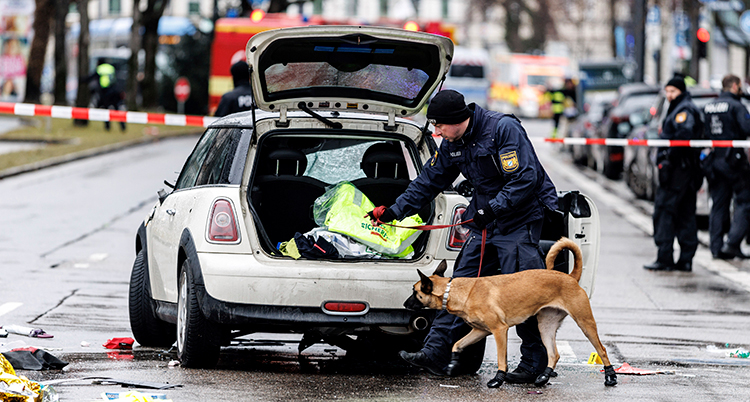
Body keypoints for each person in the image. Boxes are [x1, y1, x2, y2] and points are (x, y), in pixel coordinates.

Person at [366, 89, 558, 382]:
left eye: (439, 125)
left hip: (518, 221)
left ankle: (533, 363)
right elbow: (429, 180)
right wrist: (394, 211)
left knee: (522, 295)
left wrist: (491, 209)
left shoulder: (501, 129)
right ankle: (434, 353)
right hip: (484, 223)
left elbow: (525, 178)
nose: (436, 131)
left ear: (458, 120)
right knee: (453, 290)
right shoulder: (452, 143)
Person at [644, 76, 704, 272]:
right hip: (685, 171)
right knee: (685, 213)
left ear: (681, 91)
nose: (669, 95)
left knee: (665, 212)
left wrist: (668, 159)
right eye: (667, 91)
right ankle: (685, 259)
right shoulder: (681, 107)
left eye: (673, 92)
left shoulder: (684, 110)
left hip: (678, 171)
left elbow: (683, 136)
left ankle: (665, 258)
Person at [702, 74, 750, 259]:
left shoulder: (709, 106)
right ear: (735, 86)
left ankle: (716, 247)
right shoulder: (736, 106)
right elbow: (747, 128)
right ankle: (732, 243)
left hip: (714, 161)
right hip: (734, 162)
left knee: (718, 204)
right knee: (744, 201)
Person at [94, 61, 126, 132]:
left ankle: (107, 127)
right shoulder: (111, 68)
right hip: (114, 91)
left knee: (106, 110)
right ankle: (122, 126)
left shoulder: (100, 69)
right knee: (117, 109)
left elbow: (92, 77)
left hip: (106, 93)